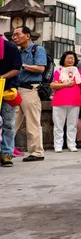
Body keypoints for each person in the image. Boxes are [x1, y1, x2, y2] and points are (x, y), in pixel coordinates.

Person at [12, 26, 47, 162]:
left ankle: (37, 152)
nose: (14, 37)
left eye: (17, 34)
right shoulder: (18, 51)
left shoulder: (37, 50)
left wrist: (23, 66)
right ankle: (5, 149)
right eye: (13, 35)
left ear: (27, 35)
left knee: (33, 122)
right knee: (11, 121)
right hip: (17, 89)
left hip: (31, 89)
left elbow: (40, 68)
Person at [49, 51, 81, 152]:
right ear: (63, 60)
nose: (70, 60)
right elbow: (52, 85)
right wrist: (65, 85)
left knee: (72, 124)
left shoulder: (78, 72)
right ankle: (58, 145)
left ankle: (71, 144)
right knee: (58, 125)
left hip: (75, 101)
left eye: (72, 58)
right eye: (68, 58)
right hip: (59, 101)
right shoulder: (58, 71)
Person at [1, 37, 22, 167]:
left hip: (8, 90)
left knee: (8, 122)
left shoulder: (10, 47)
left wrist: (2, 77)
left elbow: (17, 69)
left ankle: (6, 153)